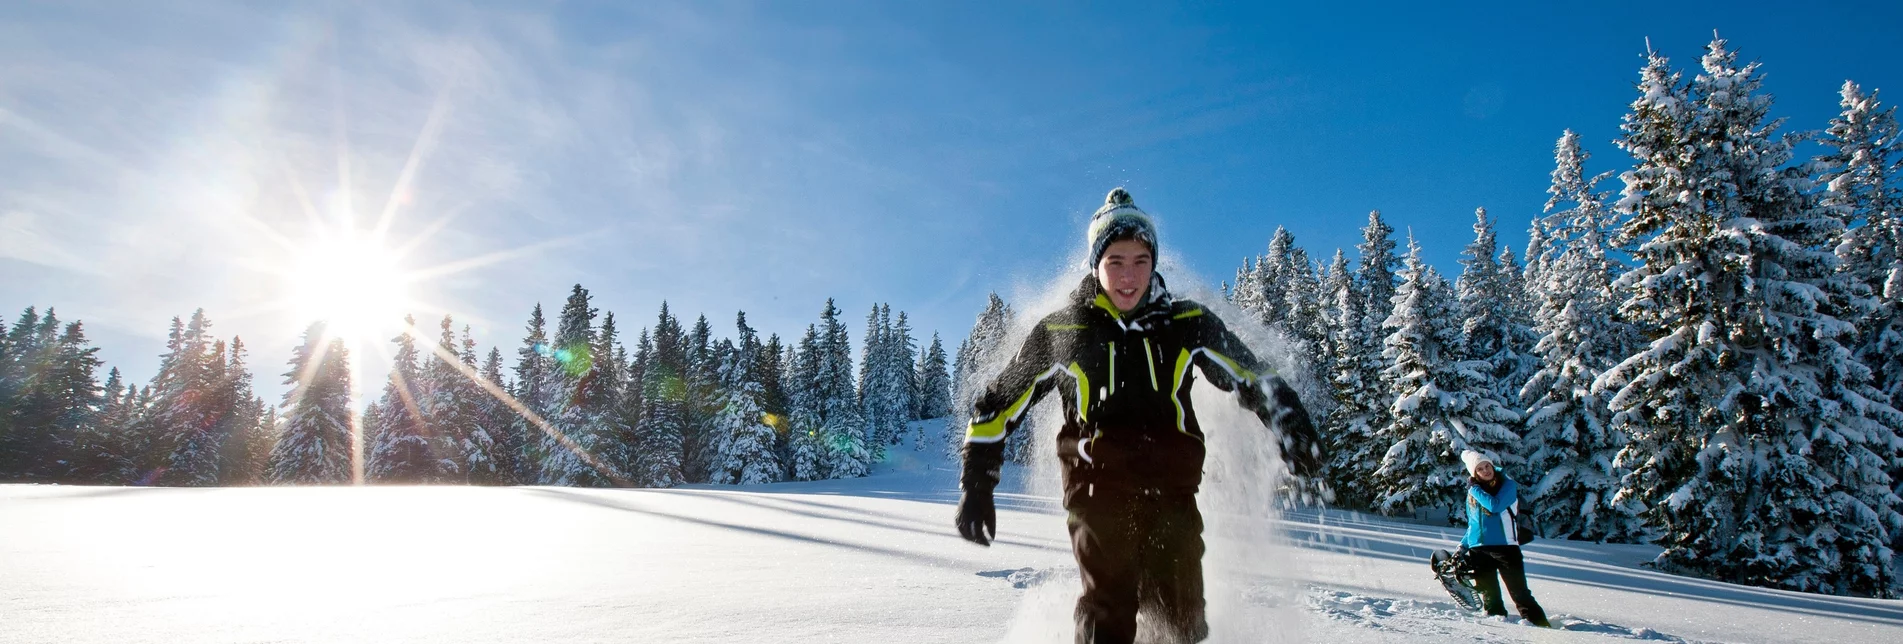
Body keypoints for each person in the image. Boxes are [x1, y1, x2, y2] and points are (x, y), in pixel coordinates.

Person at [953, 188, 1323, 644]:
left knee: (1181, 620)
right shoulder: (1064, 332)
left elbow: (1250, 376)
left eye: (1140, 261)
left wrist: (1287, 419)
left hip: (1173, 499)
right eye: (1115, 261)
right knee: (1108, 612)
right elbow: (997, 404)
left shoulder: (1186, 323)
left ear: (1154, 262)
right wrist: (977, 483)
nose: (1129, 276)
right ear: (1095, 264)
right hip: (1097, 496)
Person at [1458, 450, 1552, 628]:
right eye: (1480, 469)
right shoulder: (1474, 493)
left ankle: (1542, 627)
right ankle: (1500, 631)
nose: (1486, 471)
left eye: (1487, 466)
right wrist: (1462, 546)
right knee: (1490, 596)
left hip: (1506, 548)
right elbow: (1473, 524)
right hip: (1479, 548)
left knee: (1520, 593)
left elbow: (1495, 506)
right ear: (1474, 474)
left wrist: (1474, 489)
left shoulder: (1507, 486)